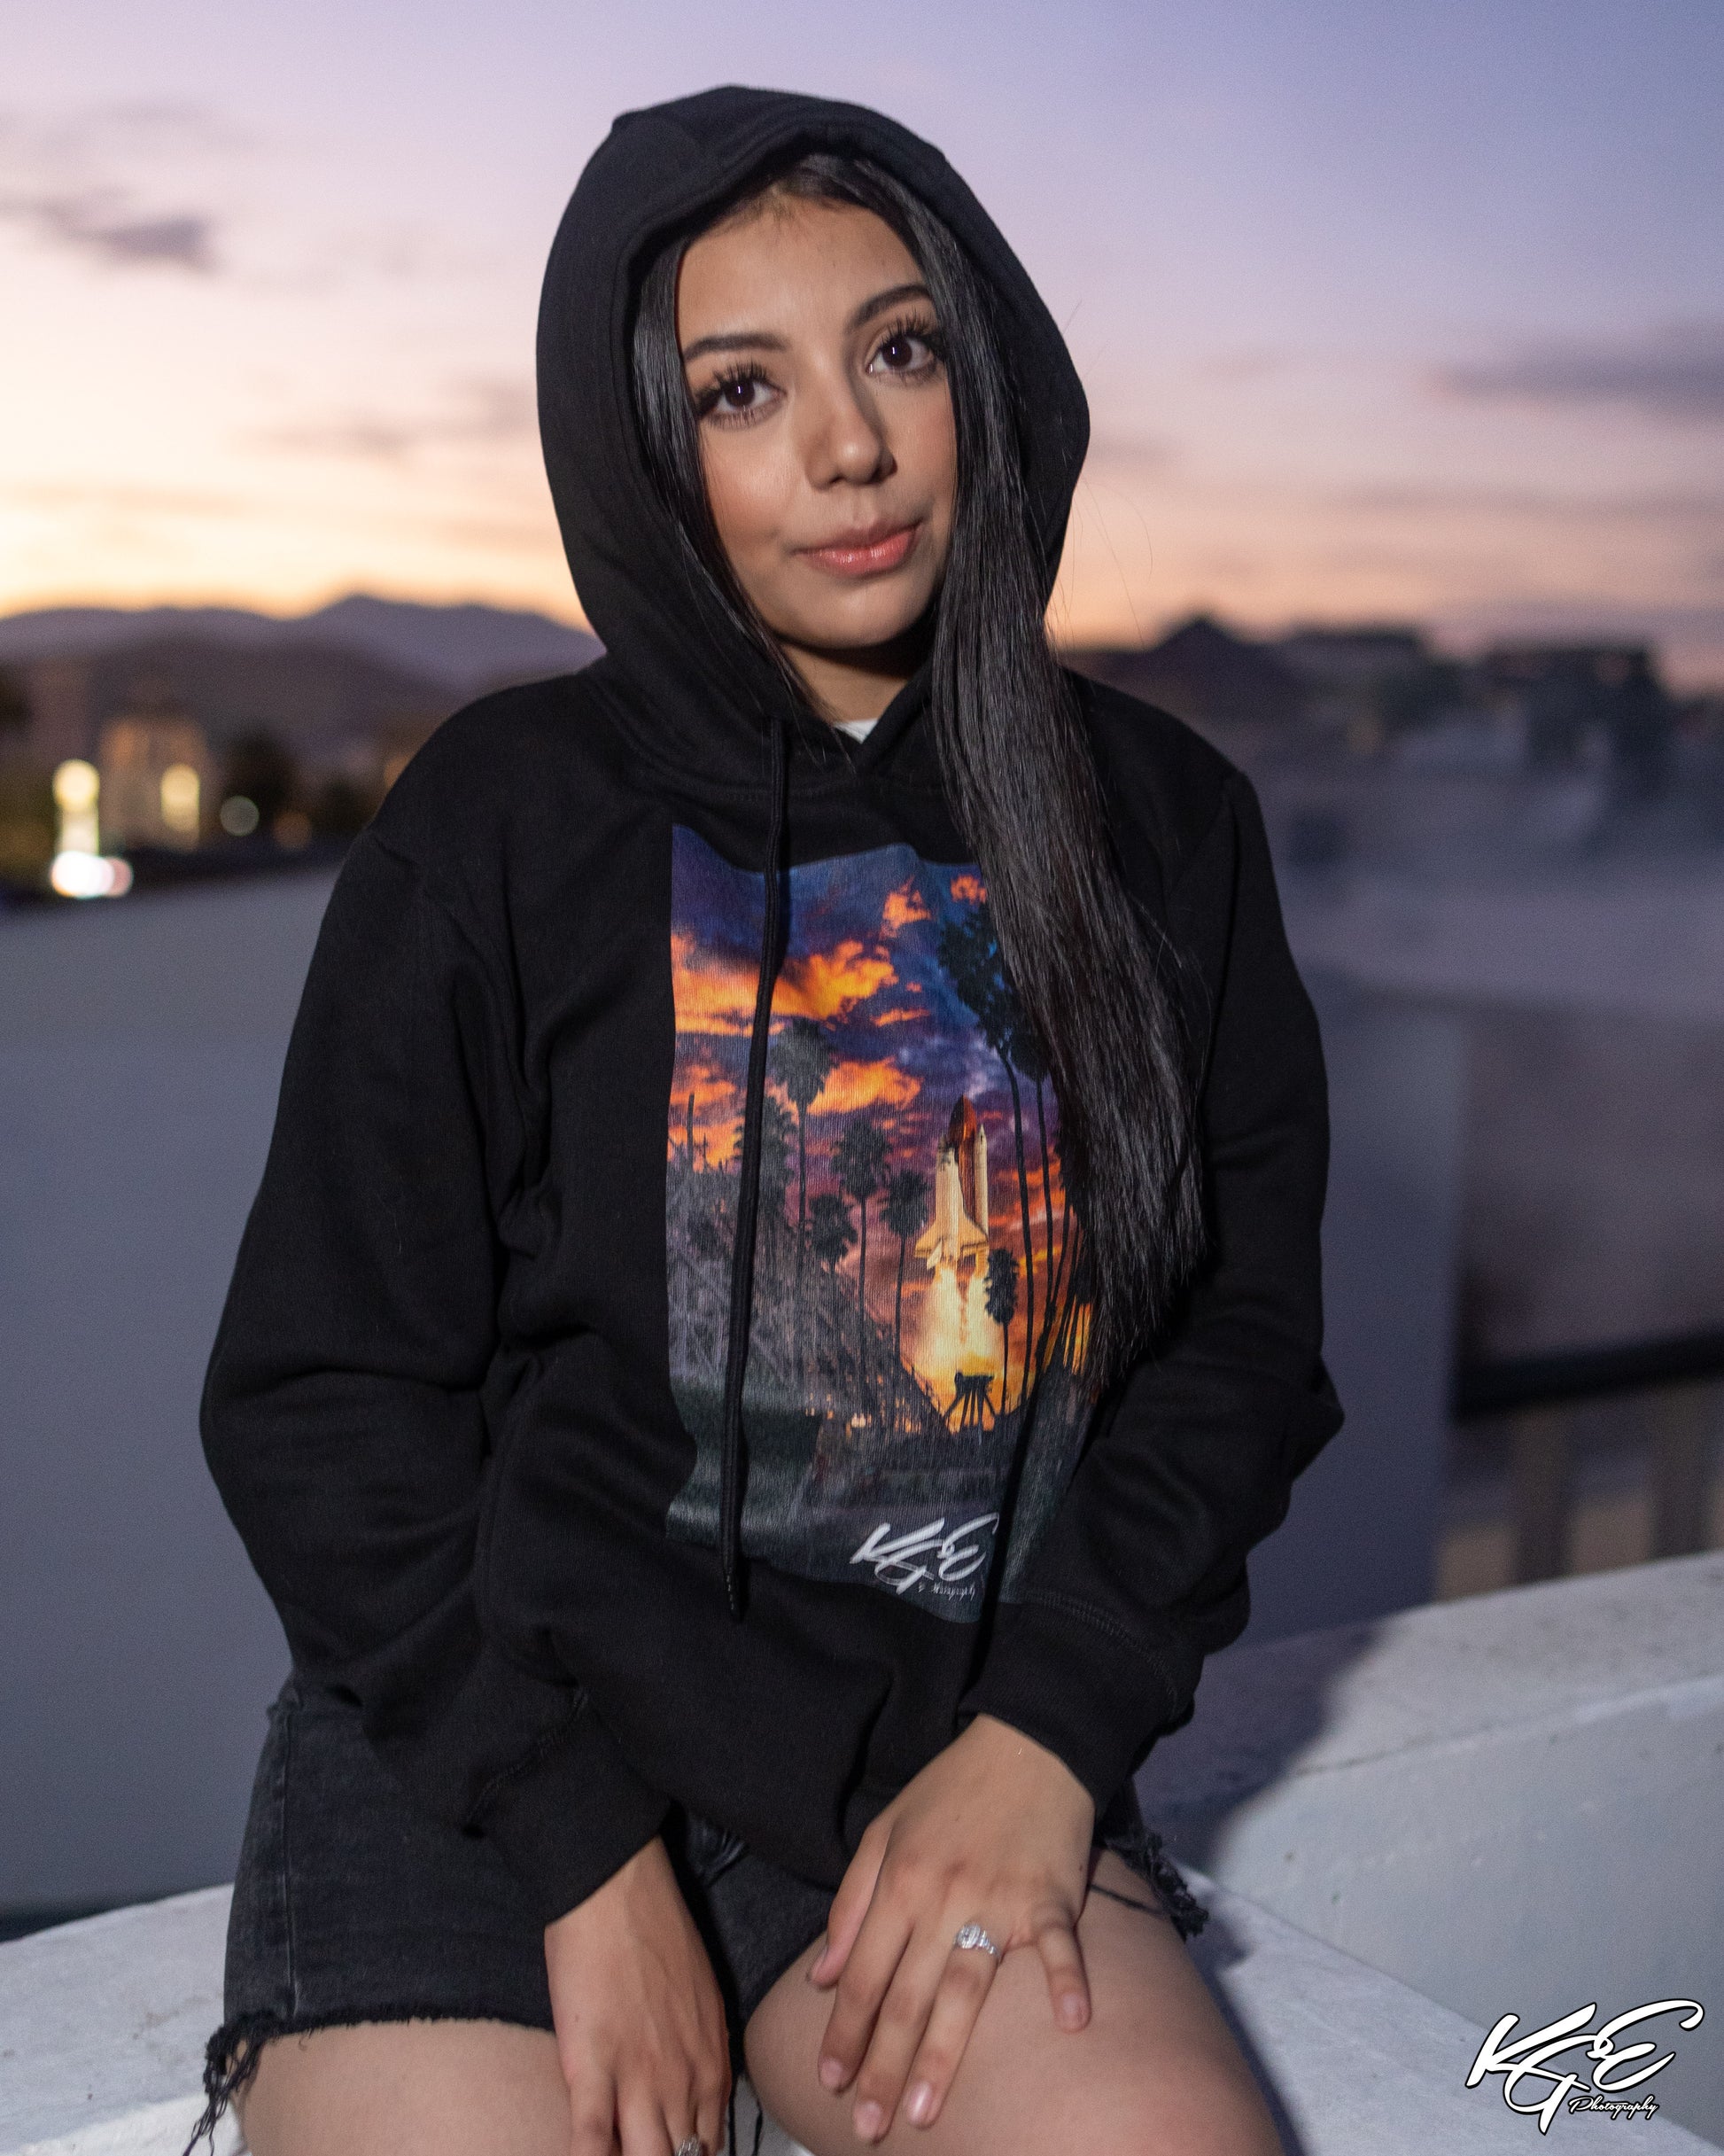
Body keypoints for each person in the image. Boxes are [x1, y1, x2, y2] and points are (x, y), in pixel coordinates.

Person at [190, 85, 1342, 2156]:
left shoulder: (1162, 824)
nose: (849, 444)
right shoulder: (506, 817)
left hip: (935, 1748)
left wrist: (1046, 1736)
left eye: (900, 348)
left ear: (984, 371)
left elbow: (1236, 1346)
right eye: (743, 388)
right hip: (493, 1743)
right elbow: (318, 1392)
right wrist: (576, 1845)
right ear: (646, 445)